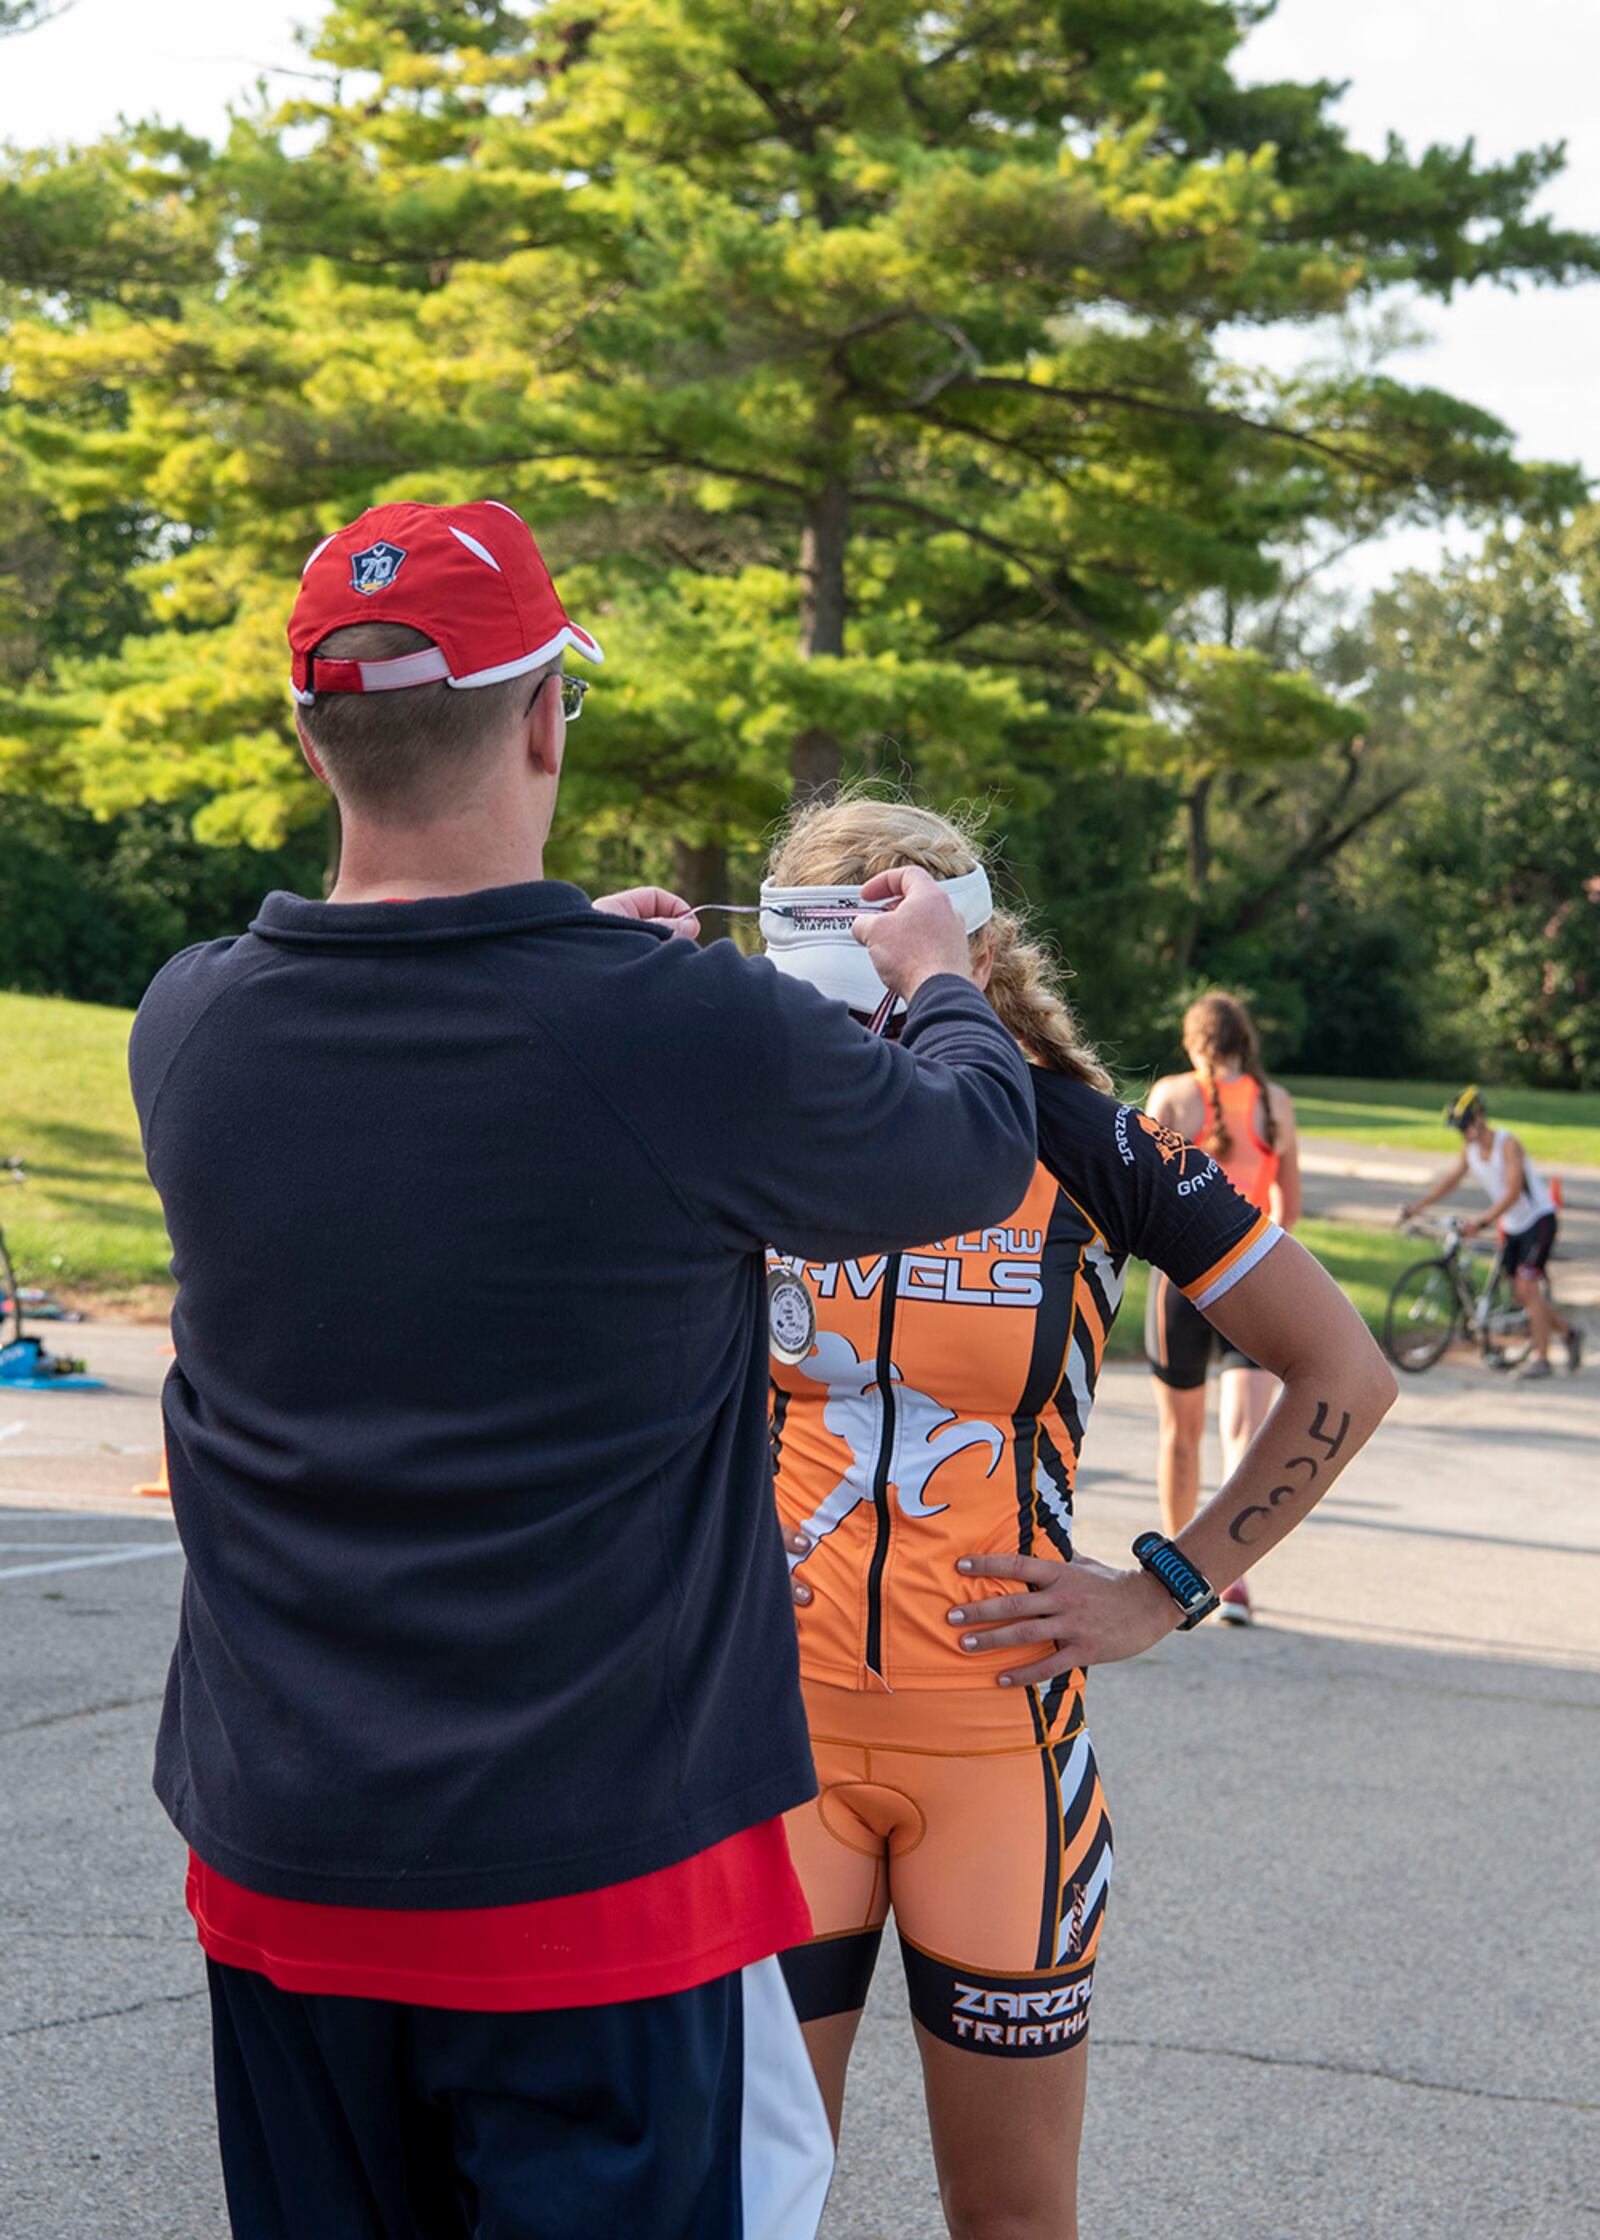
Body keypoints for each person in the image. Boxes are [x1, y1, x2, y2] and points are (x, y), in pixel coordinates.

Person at [129, 501, 1043, 2240]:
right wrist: (936, 980)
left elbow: (460, 1100)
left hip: (283, 1870)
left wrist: (603, 974)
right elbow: (964, 1155)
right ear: (547, 719)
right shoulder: (676, 1030)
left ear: (309, 731)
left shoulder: (190, 1024)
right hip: (593, 1894)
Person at [761, 798, 1395, 2240]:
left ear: (967, 953)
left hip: (999, 1760)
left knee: (1012, 2219)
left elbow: (1342, 1371)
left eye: (894, 960)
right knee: (740, 2202)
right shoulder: (762, 1128)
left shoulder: (1086, 1142)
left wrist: (1167, 1585)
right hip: (767, 1749)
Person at [1143, 994, 1302, 1625]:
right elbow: (1288, 1206)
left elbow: (1143, 1198)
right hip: (1253, 1281)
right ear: (1246, 1040)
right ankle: (1232, 1577)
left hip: (1183, 1285)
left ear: (1193, 1041)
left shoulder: (1173, 1097)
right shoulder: (1276, 1103)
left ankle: (1178, 1580)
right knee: (1246, 1434)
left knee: (1180, 1436)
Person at [1401, 1086, 1581, 1380]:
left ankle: (1542, 1359)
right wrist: (1418, 1206)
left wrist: (1481, 1223)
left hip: (1539, 1221)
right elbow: (1450, 1182)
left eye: (1465, 1125)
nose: (1463, 1133)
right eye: (1459, 1129)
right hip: (1512, 1226)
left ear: (1481, 1118)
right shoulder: (1470, 1151)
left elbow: (1512, 1192)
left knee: (1527, 1289)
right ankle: (1570, 1334)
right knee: (1522, 1296)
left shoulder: (1507, 1145)